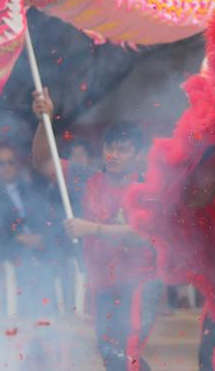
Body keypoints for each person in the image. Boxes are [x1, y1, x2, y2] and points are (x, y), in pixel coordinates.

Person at [32, 87, 160, 371]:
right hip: (102, 284)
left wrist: (92, 229)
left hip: (139, 285)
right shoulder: (87, 179)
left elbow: (142, 235)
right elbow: (43, 162)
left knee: (125, 356)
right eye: (109, 147)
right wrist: (44, 121)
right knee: (109, 353)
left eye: (122, 149)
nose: (113, 155)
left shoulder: (147, 190)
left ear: (138, 155)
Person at [0, 143, 56, 315]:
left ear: (17, 165)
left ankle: (53, 309)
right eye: (1, 163)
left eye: (10, 162)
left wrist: (42, 237)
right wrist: (17, 238)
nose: (6, 167)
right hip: (6, 247)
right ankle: (26, 310)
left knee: (59, 250)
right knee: (24, 256)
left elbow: (47, 218)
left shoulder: (31, 189)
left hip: (37, 244)